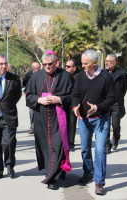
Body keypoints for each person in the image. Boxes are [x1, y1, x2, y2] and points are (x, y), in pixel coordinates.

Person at [25, 52, 74, 190]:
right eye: (44, 64)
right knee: (47, 147)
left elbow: (74, 97)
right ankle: (56, 170)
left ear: (56, 62)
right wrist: (39, 100)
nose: (47, 67)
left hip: (59, 117)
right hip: (41, 118)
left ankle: (52, 178)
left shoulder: (66, 76)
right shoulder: (36, 77)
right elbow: (28, 97)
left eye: (50, 64)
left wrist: (60, 99)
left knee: (57, 145)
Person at [72, 50, 115, 195]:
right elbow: (75, 95)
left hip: (101, 119)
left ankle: (99, 182)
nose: (82, 66)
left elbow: (111, 99)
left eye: (85, 64)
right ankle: (88, 172)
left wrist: (97, 107)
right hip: (84, 119)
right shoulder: (79, 77)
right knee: (85, 149)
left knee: (100, 150)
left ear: (94, 63)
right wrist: (75, 106)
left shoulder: (106, 78)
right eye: (82, 63)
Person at [105, 54, 127, 154]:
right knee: (106, 125)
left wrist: (119, 97)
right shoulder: (102, 73)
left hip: (116, 103)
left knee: (116, 125)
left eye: (108, 61)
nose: (106, 63)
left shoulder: (121, 73)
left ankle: (116, 138)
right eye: (105, 60)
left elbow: (125, 88)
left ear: (114, 63)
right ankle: (107, 145)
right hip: (105, 103)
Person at [22, 62, 41, 135]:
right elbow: (24, 83)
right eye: (37, 68)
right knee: (32, 112)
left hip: (40, 95)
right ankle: (32, 127)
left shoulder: (42, 74)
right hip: (31, 96)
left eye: (39, 67)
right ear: (33, 69)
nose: (39, 69)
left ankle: (40, 127)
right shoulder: (28, 75)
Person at [65, 59, 78, 151]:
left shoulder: (79, 77)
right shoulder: (63, 76)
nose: (66, 68)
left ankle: (71, 143)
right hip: (64, 102)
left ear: (74, 68)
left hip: (74, 103)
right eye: (65, 66)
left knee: (72, 123)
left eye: (68, 66)